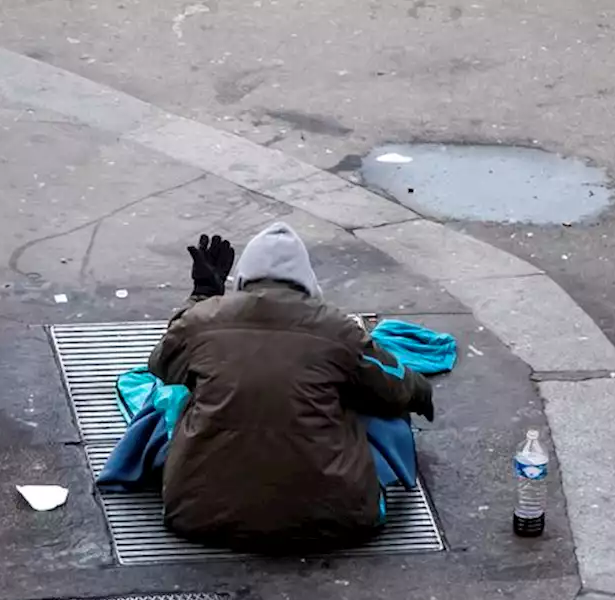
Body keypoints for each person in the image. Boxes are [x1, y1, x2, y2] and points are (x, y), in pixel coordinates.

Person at [147, 222, 434, 551]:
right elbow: (398, 386)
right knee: (377, 404)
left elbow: (161, 362)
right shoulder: (338, 330)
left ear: (243, 277)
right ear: (307, 281)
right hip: (335, 519)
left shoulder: (200, 321)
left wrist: (201, 297)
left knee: (174, 397)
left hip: (198, 513)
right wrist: (422, 394)